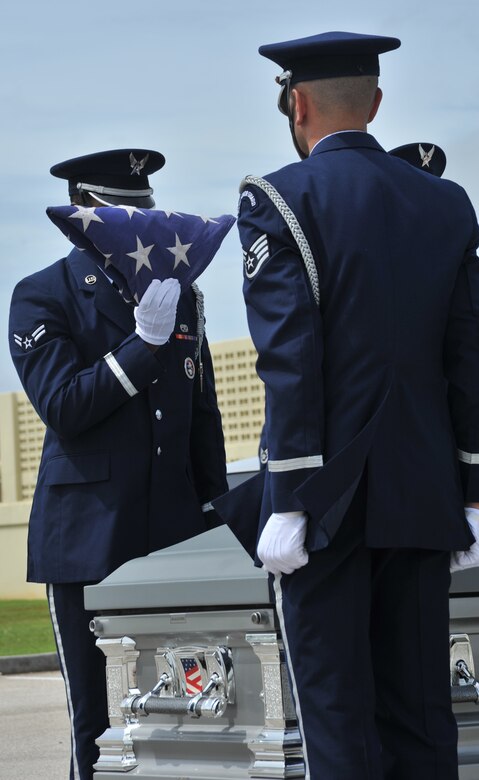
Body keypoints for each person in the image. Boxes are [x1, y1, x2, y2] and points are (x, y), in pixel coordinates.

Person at [230, 32, 479, 779]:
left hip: (327, 500)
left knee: (337, 717)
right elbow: (467, 358)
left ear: (295, 104)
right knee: (420, 714)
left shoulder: (277, 198)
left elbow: (290, 360)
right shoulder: (445, 201)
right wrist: (469, 487)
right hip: (423, 490)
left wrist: (292, 495)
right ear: (374, 103)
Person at [8, 148, 228, 780]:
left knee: (196, 709)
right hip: (88, 540)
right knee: (100, 722)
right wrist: (141, 348)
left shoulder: (179, 290)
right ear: (86, 212)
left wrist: (217, 520)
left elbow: (201, 417)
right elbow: (64, 405)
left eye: (144, 209)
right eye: (122, 211)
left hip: (172, 536)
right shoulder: (43, 295)